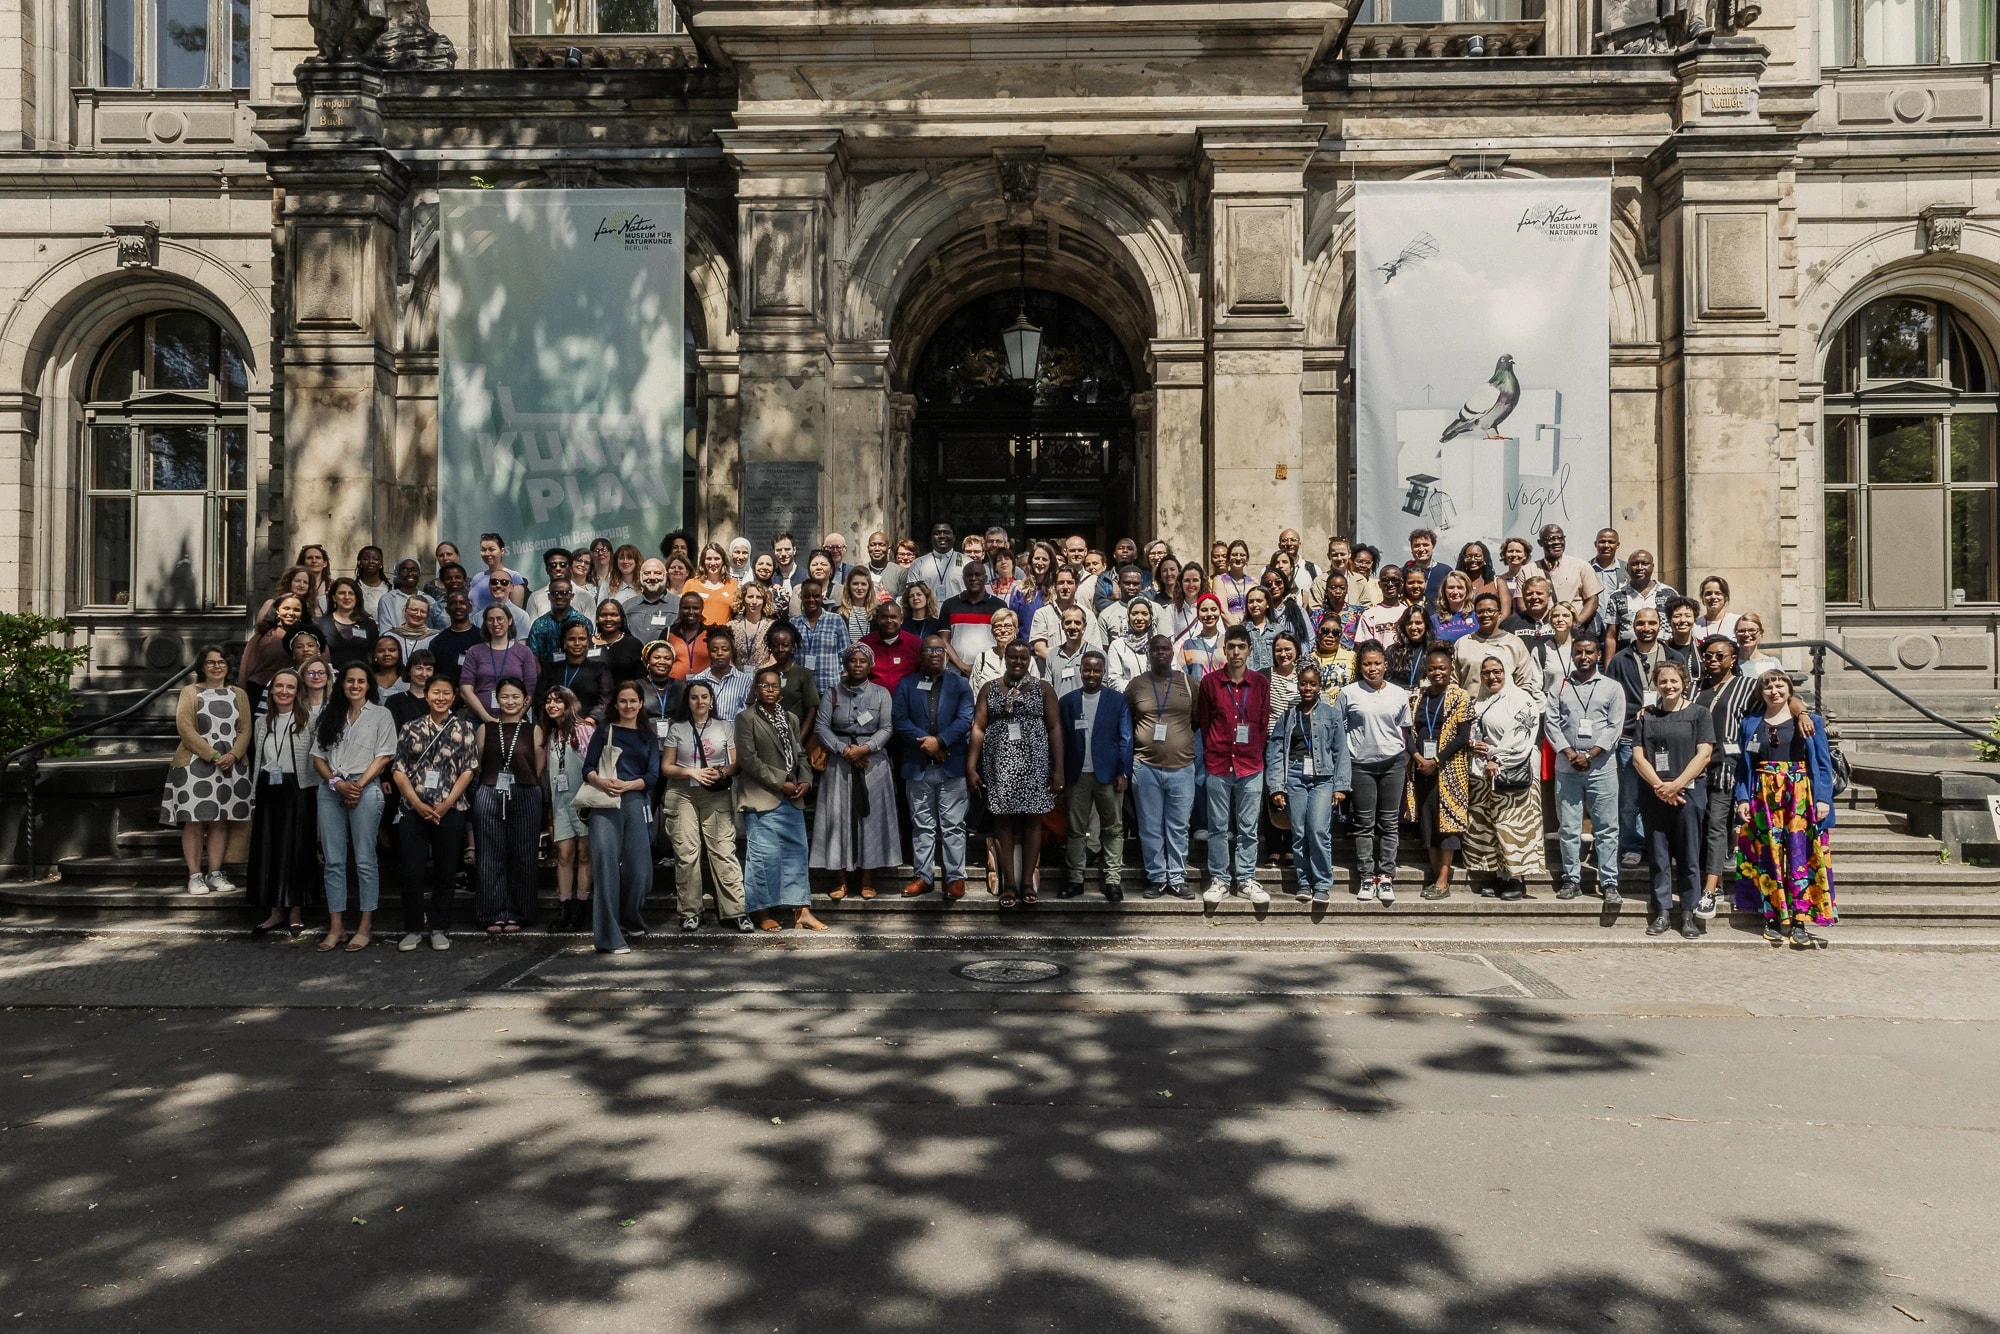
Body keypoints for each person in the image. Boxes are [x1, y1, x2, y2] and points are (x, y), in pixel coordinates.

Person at [1734, 670, 1838, 948]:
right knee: (1767, 854)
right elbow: (1744, 767)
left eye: (1780, 686)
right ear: (1761, 693)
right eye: (1768, 687)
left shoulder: (1809, 721)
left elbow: (1823, 764)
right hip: (1763, 794)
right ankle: (1771, 916)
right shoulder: (1750, 723)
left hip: (1799, 794)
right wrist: (1742, 798)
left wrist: (1823, 799)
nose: (1774, 691)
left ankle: (1800, 919)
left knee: (1799, 855)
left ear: (1790, 690)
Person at [311, 664, 397, 952]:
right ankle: (336, 926)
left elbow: (384, 756)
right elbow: (318, 758)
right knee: (333, 861)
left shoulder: (381, 714)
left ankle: (365, 925)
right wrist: (337, 784)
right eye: (350, 681)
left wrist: (357, 785)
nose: (355, 685)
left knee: (364, 859)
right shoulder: (329, 714)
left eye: (361, 681)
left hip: (366, 788)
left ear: (368, 685)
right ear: (342, 684)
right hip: (331, 790)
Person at [970, 640, 1062, 907]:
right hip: (999, 765)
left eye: (1023, 658)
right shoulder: (989, 688)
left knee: (1033, 820)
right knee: (1003, 821)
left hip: (1034, 764)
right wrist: (970, 766)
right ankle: (1009, 883)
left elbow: (1055, 728)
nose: (1017, 662)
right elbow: (978, 727)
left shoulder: (1044, 689)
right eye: (1013, 657)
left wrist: (1058, 769)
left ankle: (1026, 882)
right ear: (1005, 659)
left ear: (1030, 659)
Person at [389, 674, 477, 951]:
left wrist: (446, 803)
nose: (441, 697)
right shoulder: (410, 727)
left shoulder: (464, 728)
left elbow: (468, 769)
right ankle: (413, 927)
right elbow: (398, 770)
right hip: (414, 809)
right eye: (436, 692)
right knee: (412, 870)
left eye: (446, 693)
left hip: (450, 809)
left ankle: (440, 927)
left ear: (454, 696)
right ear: (426, 695)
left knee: (446, 870)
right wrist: (416, 803)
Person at [810, 644, 901, 900]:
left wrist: (865, 749)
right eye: (853, 661)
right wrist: (843, 750)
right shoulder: (831, 694)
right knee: (837, 819)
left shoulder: (881, 693)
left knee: (869, 820)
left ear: (870, 665)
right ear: (846, 664)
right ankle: (839, 880)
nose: (858, 665)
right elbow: (821, 727)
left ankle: (867, 879)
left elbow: (887, 727)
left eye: (863, 661)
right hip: (839, 763)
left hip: (873, 763)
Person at [162, 646, 254, 897]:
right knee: (194, 821)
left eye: (222, 661)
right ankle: (194, 875)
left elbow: (246, 729)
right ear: (201, 666)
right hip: (195, 764)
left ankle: (215, 873)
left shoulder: (239, 694)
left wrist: (233, 755)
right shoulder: (190, 692)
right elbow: (185, 726)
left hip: (230, 765)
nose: (217, 666)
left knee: (220, 821)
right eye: (211, 662)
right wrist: (212, 755)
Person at [659, 679, 749, 933]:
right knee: (687, 854)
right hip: (682, 793)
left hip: (715, 792)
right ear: (687, 702)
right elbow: (666, 767)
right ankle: (690, 912)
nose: (700, 701)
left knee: (723, 850)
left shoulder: (724, 727)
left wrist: (719, 772)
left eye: (704, 697)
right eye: (694, 697)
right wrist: (692, 773)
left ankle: (735, 910)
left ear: (712, 701)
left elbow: (735, 764)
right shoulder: (677, 728)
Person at [737, 668, 824, 931]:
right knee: (763, 856)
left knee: (797, 854)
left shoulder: (791, 718)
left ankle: (803, 911)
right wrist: (780, 783)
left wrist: (806, 779)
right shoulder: (746, 718)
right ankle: (762, 912)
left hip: (792, 796)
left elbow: (799, 754)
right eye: (765, 686)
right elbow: (748, 760)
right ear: (756, 689)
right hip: (762, 796)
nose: (771, 690)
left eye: (775, 686)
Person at [1633, 660, 1714, 937]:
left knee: (1689, 855)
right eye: (1663, 681)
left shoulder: (1699, 713)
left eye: (1674, 681)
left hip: (1689, 793)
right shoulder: (1648, 717)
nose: (1668, 686)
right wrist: (1660, 787)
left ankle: (1689, 913)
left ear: (1684, 683)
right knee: (1658, 855)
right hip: (1655, 794)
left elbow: (1704, 754)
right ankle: (1663, 912)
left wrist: (1676, 785)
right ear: (1657, 684)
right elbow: (1638, 756)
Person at [582, 680, 661, 953]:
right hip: (604, 802)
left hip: (635, 799)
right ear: (616, 704)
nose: (628, 706)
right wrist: (602, 782)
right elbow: (588, 768)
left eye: (633, 701)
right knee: (605, 868)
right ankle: (608, 937)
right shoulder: (603, 732)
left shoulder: (648, 737)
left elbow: (653, 775)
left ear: (641, 704)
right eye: (623, 701)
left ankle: (629, 916)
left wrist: (629, 785)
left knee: (640, 870)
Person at [894, 634, 975, 899]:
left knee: (953, 825)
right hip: (917, 765)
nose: (934, 654)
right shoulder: (907, 684)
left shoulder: (961, 684)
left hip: (952, 764)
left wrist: (939, 742)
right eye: (928, 650)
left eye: (939, 649)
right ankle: (923, 876)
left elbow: (965, 719)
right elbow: (900, 720)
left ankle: (954, 877)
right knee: (922, 825)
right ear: (920, 655)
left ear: (946, 654)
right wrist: (926, 744)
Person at [1546, 633, 1625, 903]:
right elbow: (1552, 724)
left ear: (1598, 655)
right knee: (1568, 828)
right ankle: (1571, 879)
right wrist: (1570, 753)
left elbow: (1615, 727)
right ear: (1572, 654)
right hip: (1567, 769)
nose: (1583, 657)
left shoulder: (1612, 687)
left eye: (1589, 652)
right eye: (1578, 652)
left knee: (1606, 827)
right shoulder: (1559, 686)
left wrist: (1590, 755)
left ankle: (1609, 882)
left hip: (1602, 768)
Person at [1196, 626, 1270, 906]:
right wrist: (1215, 750)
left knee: (1248, 827)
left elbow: (1262, 725)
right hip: (1218, 763)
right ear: (1224, 650)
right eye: (1231, 647)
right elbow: (1205, 724)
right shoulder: (1210, 683)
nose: (1236, 652)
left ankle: (1246, 877)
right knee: (1217, 826)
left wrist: (1253, 752)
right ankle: (1220, 878)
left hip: (1250, 765)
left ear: (1250, 649)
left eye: (1241, 646)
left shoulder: (1260, 683)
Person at [1266, 664, 1350, 904]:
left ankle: (1322, 882)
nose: (1307, 688)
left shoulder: (1331, 714)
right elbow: (1276, 751)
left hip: (1323, 778)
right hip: (1294, 775)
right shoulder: (1288, 715)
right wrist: (1276, 786)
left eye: (1312, 684)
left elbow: (1340, 751)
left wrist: (1341, 785)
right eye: (1304, 683)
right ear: (1298, 684)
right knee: (1300, 832)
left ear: (1319, 686)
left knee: (1318, 830)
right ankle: (1304, 882)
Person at [1463, 655, 1545, 902]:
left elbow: (1521, 736)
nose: (1492, 677)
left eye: (1497, 671)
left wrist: (1496, 758)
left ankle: (1517, 879)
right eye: (1486, 672)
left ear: (1507, 671)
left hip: (1514, 768)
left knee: (1514, 825)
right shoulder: (1482, 699)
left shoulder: (1521, 699)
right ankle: (1500, 875)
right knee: (1492, 823)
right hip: (1487, 773)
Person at [246, 668, 320, 935]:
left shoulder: (309, 719)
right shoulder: (261, 721)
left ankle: (296, 909)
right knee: (270, 850)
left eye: (290, 687)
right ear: (271, 689)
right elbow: (258, 759)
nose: (284, 692)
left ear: (297, 690)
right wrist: (255, 791)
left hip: (298, 789)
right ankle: (275, 910)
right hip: (268, 788)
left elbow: (318, 756)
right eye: (279, 686)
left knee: (297, 850)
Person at [1127, 633, 1199, 900]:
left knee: (1178, 825)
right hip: (1145, 766)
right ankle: (1157, 878)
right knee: (1149, 825)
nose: (1160, 653)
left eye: (1165, 648)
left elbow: (1197, 719)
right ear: (1148, 652)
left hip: (1182, 766)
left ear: (1172, 652)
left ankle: (1177, 877)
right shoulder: (1136, 685)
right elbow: (1129, 722)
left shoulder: (1188, 683)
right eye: (1155, 649)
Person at [1336, 644, 1410, 901]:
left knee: (1389, 823)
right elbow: (1338, 729)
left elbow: (1405, 730)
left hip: (1393, 763)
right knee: (1364, 823)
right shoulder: (1348, 693)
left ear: (1385, 665)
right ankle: (1367, 877)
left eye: (1377, 663)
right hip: (1360, 765)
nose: (1372, 668)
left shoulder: (1399, 694)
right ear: (1360, 666)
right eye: (1367, 664)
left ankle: (1386, 877)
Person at [1059, 650, 1134, 901]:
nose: (1091, 675)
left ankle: (1112, 880)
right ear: (1081, 670)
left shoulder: (1117, 700)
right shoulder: (1067, 701)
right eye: (1087, 670)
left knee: (1113, 829)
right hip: (1076, 773)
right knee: (1076, 829)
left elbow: (1125, 738)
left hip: (1109, 774)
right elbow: (1060, 740)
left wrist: (1123, 771)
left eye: (1096, 670)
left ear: (1103, 672)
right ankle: (1075, 879)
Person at [471, 677, 543, 935]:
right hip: (490, 791)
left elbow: (539, 765)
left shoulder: (533, 729)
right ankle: (492, 912)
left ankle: (520, 912)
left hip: (525, 791)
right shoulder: (485, 728)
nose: (510, 701)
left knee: (523, 854)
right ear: (496, 699)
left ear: (524, 699)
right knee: (490, 855)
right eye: (504, 696)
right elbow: (478, 763)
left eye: (515, 697)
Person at [1400, 648, 1473, 900]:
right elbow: (1407, 733)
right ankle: (1435, 878)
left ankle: (1443, 881)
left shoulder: (1460, 697)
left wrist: (1437, 760)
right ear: (1426, 671)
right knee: (1429, 823)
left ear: (1451, 668)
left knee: (1448, 825)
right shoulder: (1417, 697)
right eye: (1432, 668)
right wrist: (1419, 758)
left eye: (1442, 668)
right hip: (1421, 770)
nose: (1437, 672)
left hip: (1449, 771)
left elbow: (1463, 736)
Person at [1608, 605, 1674, 870]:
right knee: (1629, 798)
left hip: (1664, 735)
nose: (1646, 628)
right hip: (1629, 736)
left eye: (1651, 623)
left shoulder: (1672, 656)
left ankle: (1658, 844)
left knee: (1663, 792)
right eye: (1641, 623)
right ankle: (1632, 845)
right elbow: (1612, 697)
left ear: (1660, 625)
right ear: (1633, 627)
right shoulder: (1620, 659)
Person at [540, 685, 595, 933]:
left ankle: (580, 906)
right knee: (563, 855)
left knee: (584, 854)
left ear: (569, 704)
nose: (552, 705)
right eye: (549, 701)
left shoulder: (584, 730)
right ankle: (564, 905)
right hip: (560, 802)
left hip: (583, 801)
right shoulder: (551, 735)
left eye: (558, 701)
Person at [461, 604, 538, 723]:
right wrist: (487, 718)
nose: (495, 623)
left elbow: (530, 689)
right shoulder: (474, 651)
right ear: (486, 623)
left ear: (510, 621)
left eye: (500, 618)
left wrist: (514, 718)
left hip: (516, 720)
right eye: (490, 619)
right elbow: (465, 688)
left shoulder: (524, 652)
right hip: (478, 720)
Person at [1452, 593, 1537, 700]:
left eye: (1490, 611)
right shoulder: (1463, 644)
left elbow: (1524, 683)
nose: (1485, 614)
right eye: (1480, 612)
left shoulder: (1515, 644)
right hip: (1469, 711)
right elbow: (1453, 682)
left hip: (1505, 711)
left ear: (1500, 614)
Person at [241, 594, 310, 707]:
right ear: (277, 611)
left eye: (296, 610)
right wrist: (242, 697)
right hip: (260, 691)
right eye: (286, 608)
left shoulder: (310, 637)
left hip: (296, 692)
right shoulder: (262, 637)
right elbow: (246, 669)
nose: (291, 613)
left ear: (302, 613)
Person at [1602, 549, 1676, 654]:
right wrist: (1609, 668)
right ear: (1627, 568)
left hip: (1662, 656)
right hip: (1628, 656)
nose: (1640, 568)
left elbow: (1677, 629)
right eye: (1635, 564)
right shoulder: (1617, 596)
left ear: (1652, 567)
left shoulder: (1669, 593)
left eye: (1645, 564)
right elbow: (1611, 636)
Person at [1534, 524, 1602, 627]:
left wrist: (1576, 624)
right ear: (1540, 543)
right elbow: (1522, 603)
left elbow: (1592, 601)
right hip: (1542, 629)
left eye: (1560, 538)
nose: (1557, 542)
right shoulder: (1529, 569)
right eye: (1551, 539)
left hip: (1573, 630)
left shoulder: (1581, 566)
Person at [940, 560, 1002, 672]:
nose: (973, 578)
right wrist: (963, 667)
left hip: (990, 669)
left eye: (978, 575)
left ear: (986, 578)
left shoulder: (999, 605)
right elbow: (944, 640)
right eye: (969, 575)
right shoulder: (949, 604)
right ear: (963, 579)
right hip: (956, 670)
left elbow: (1003, 639)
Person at [791, 579, 851, 693]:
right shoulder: (794, 623)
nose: (811, 600)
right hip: (801, 688)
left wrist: (843, 678)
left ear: (822, 597)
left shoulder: (836, 620)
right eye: (807, 596)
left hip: (829, 687)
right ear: (801, 597)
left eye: (816, 596)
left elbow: (845, 653)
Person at [764, 622, 821, 733]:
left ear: (793, 647)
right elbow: (752, 707)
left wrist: (799, 741)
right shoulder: (763, 674)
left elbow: (811, 711)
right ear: (770, 647)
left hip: (794, 736)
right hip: (767, 737)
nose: (780, 649)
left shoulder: (804, 674)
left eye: (785, 645)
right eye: (775, 646)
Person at [688, 627, 755, 721]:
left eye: (724, 649)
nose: (719, 653)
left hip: (734, 733)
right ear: (708, 652)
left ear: (731, 652)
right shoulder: (698, 679)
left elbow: (748, 714)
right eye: (714, 650)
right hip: (706, 732)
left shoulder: (745, 681)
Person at [314, 577, 378, 673]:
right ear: (334, 597)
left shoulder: (369, 624)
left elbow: (373, 655)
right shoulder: (320, 624)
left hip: (361, 679)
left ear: (357, 598)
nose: (346, 597)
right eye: (341, 593)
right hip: (331, 679)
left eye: (351, 593)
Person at [969, 606, 1037, 695]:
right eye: (998, 626)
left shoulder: (1027, 660)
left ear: (1016, 630)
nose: (1003, 630)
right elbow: (974, 693)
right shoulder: (982, 659)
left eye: (1008, 626)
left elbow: (1035, 692)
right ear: (992, 631)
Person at [861, 599, 921, 692]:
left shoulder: (915, 643)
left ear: (901, 620)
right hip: (873, 700)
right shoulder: (865, 644)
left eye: (893, 617)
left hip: (906, 701)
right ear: (877, 619)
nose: (889, 621)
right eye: (884, 617)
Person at [526, 578, 590, 661]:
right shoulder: (539, 624)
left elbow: (588, 651)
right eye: (555, 593)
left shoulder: (583, 622)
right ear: (549, 596)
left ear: (571, 596)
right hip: (546, 672)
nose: (559, 597)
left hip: (577, 672)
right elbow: (533, 655)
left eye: (564, 593)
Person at [428, 591, 482, 687]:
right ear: (447, 609)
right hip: (446, 696)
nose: (458, 606)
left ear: (470, 608)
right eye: (453, 603)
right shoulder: (438, 642)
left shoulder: (482, 638)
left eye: (462, 603)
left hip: (477, 695)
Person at [1105, 597, 1155, 692]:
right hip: (1128, 700)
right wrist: (1139, 691)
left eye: (1144, 614)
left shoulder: (1158, 643)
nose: (1139, 618)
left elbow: (1170, 672)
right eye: (1134, 614)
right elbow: (1114, 680)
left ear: (1151, 616)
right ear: (1128, 616)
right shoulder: (1117, 646)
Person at [624, 558, 679, 644]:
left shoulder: (678, 605)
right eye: (647, 573)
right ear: (640, 576)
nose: (652, 577)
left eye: (657, 573)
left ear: (666, 575)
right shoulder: (627, 606)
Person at [468, 534, 529, 611]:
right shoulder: (476, 578)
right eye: (483, 550)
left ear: (502, 551)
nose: (487, 554)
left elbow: (516, 611)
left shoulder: (514, 576)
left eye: (491, 549)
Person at [637, 641, 686, 736]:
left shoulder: (681, 686)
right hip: (644, 739)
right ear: (647, 660)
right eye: (657, 657)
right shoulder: (637, 687)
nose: (662, 662)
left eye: (667, 658)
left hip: (675, 739)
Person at [591, 598, 645, 682]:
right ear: (597, 619)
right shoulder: (588, 643)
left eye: (614, 615)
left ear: (622, 618)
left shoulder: (633, 644)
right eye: (603, 615)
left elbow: (641, 679)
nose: (608, 619)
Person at [908, 522, 966, 600]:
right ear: (931, 538)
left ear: (954, 537)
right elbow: (912, 593)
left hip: (956, 611)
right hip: (929, 611)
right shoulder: (918, 564)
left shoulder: (967, 562)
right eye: (937, 533)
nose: (942, 536)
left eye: (946, 532)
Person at [1456, 541, 1512, 621]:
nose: (1473, 559)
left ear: (1485, 558)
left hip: (1491, 630)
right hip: (1461, 629)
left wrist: (1490, 630)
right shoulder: (1457, 583)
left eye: (1477, 556)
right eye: (1469, 556)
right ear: (1463, 559)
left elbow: (1505, 613)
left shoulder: (1498, 582)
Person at [731, 581, 779, 669]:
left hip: (763, 677)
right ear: (743, 599)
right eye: (750, 597)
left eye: (759, 597)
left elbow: (775, 657)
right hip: (737, 678)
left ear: (764, 600)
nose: (754, 602)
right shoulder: (732, 626)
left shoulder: (773, 626)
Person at [376, 558, 433, 632]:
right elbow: (385, 630)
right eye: (405, 570)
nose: (410, 574)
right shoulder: (388, 599)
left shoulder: (429, 600)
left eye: (414, 570)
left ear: (419, 573)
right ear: (398, 574)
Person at [1383, 604, 1432, 690]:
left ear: (1426, 625)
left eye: (1418, 623)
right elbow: (1386, 681)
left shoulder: (1433, 651)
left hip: (1424, 699)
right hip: (1398, 698)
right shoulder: (1392, 651)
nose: (1413, 627)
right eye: (1409, 623)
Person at [690, 543, 738, 625]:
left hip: (723, 635)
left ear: (723, 561)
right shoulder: (691, 584)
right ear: (703, 561)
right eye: (709, 559)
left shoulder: (733, 585)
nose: (712, 563)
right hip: (698, 635)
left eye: (716, 559)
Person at [1430, 571, 1477, 645]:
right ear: (1444, 591)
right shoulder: (1434, 620)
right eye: (1451, 587)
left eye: (1460, 587)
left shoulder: (1477, 616)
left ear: (1467, 590)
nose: (1455, 592)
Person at [1214, 540, 1255, 623]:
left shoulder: (1254, 582)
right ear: (1228, 558)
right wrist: (1237, 631)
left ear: (1247, 558)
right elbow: (1223, 611)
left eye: (1242, 555)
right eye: (1234, 555)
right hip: (1231, 630)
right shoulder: (1220, 580)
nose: (1238, 558)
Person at [1734, 612, 1783, 679]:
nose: (1746, 634)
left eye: (1752, 630)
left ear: (1761, 634)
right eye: (1741, 631)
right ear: (1735, 634)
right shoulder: (1730, 662)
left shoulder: (1772, 663)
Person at [838, 567, 880, 643]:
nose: (859, 588)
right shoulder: (838, 612)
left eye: (863, 584)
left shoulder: (878, 612)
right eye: (855, 584)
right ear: (849, 586)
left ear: (869, 586)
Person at [1694, 576, 1740, 642]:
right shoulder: (1695, 625)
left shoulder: (1737, 622)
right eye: (1708, 593)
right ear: (1702, 597)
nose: (1713, 597)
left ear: (1725, 597)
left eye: (1718, 593)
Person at [900, 576, 944, 643]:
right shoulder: (902, 624)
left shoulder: (936, 624)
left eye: (919, 594)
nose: (915, 598)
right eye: (911, 596)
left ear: (927, 598)